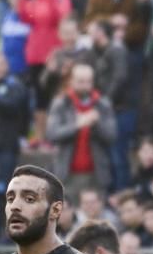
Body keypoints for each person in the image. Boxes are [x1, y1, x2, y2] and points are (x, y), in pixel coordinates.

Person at [46, 63, 117, 196]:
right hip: (67, 174)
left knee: (96, 216)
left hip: (96, 175)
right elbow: (51, 134)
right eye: (80, 81)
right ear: (71, 81)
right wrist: (76, 125)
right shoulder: (61, 103)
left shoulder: (103, 104)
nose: (85, 85)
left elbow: (111, 136)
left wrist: (97, 123)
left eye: (88, 81)